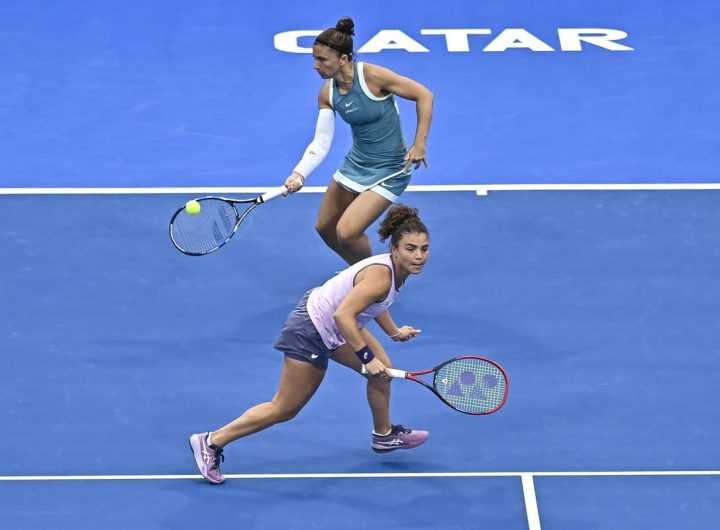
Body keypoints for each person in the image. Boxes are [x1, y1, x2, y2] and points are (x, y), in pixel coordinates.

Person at [189, 205, 430, 484]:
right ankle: (212, 441)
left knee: (383, 374)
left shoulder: (396, 273)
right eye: (410, 249)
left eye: (424, 249)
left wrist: (393, 332)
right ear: (394, 249)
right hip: (313, 329)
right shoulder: (381, 275)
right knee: (285, 408)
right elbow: (344, 315)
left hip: (333, 323)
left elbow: (374, 303)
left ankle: (384, 435)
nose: (418, 256)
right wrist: (365, 357)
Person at [283, 17, 434, 266]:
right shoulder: (327, 93)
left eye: (322, 59)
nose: (315, 66)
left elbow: (424, 95)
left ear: (343, 59)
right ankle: (362, 272)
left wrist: (420, 143)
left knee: (347, 232)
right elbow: (321, 142)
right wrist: (299, 174)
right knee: (325, 227)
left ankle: (374, 282)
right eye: (314, 58)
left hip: (390, 169)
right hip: (356, 165)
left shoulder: (373, 76)